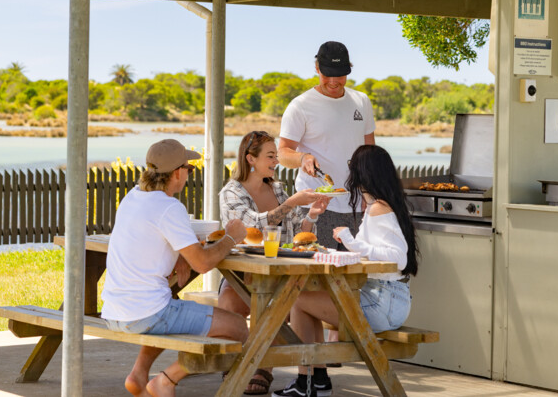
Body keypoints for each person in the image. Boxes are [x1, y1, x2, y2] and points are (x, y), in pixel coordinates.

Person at [101, 138, 249, 397]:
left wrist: (181, 255)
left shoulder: (132, 198)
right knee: (239, 329)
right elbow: (202, 264)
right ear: (178, 172)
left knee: (168, 302)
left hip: (114, 311)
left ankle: (138, 374)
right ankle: (167, 380)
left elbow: (156, 240)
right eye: (189, 168)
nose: (190, 174)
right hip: (147, 314)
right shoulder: (169, 207)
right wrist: (231, 237)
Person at [272, 144, 419, 397]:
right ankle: (315, 382)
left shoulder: (380, 208)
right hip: (385, 299)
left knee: (298, 299)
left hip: (382, 303)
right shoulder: (380, 205)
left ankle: (309, 383)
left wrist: (350, 240)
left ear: (364, 172)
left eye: (352, 165)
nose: (350, 171)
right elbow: (371, 251)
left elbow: (398, 258)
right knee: (303, 300)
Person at [217, 130, 330, 395]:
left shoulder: (277, 188)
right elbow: (248, 226)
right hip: (243, 272)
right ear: (250, 159)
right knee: (229, 305)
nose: (276, 161)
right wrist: (291, 203)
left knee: (279, 304)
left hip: (281, 272)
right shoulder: (231, 192)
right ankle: (236, 361)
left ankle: (263, 366)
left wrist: (311, 216)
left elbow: (295, 233)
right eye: (270, 156)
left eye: (276, 156)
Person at [278, 41, 376, 250]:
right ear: (316, 68)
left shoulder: (362, 102)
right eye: (327, 74)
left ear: (349, 70)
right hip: (316, 206)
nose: (333, 81)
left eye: (339, 75)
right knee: (316, 277)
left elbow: (370, 155)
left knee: (355, 275)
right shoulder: (300, 106)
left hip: (358, 206)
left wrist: (370, 191)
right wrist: (302, 158)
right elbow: (283, 153)